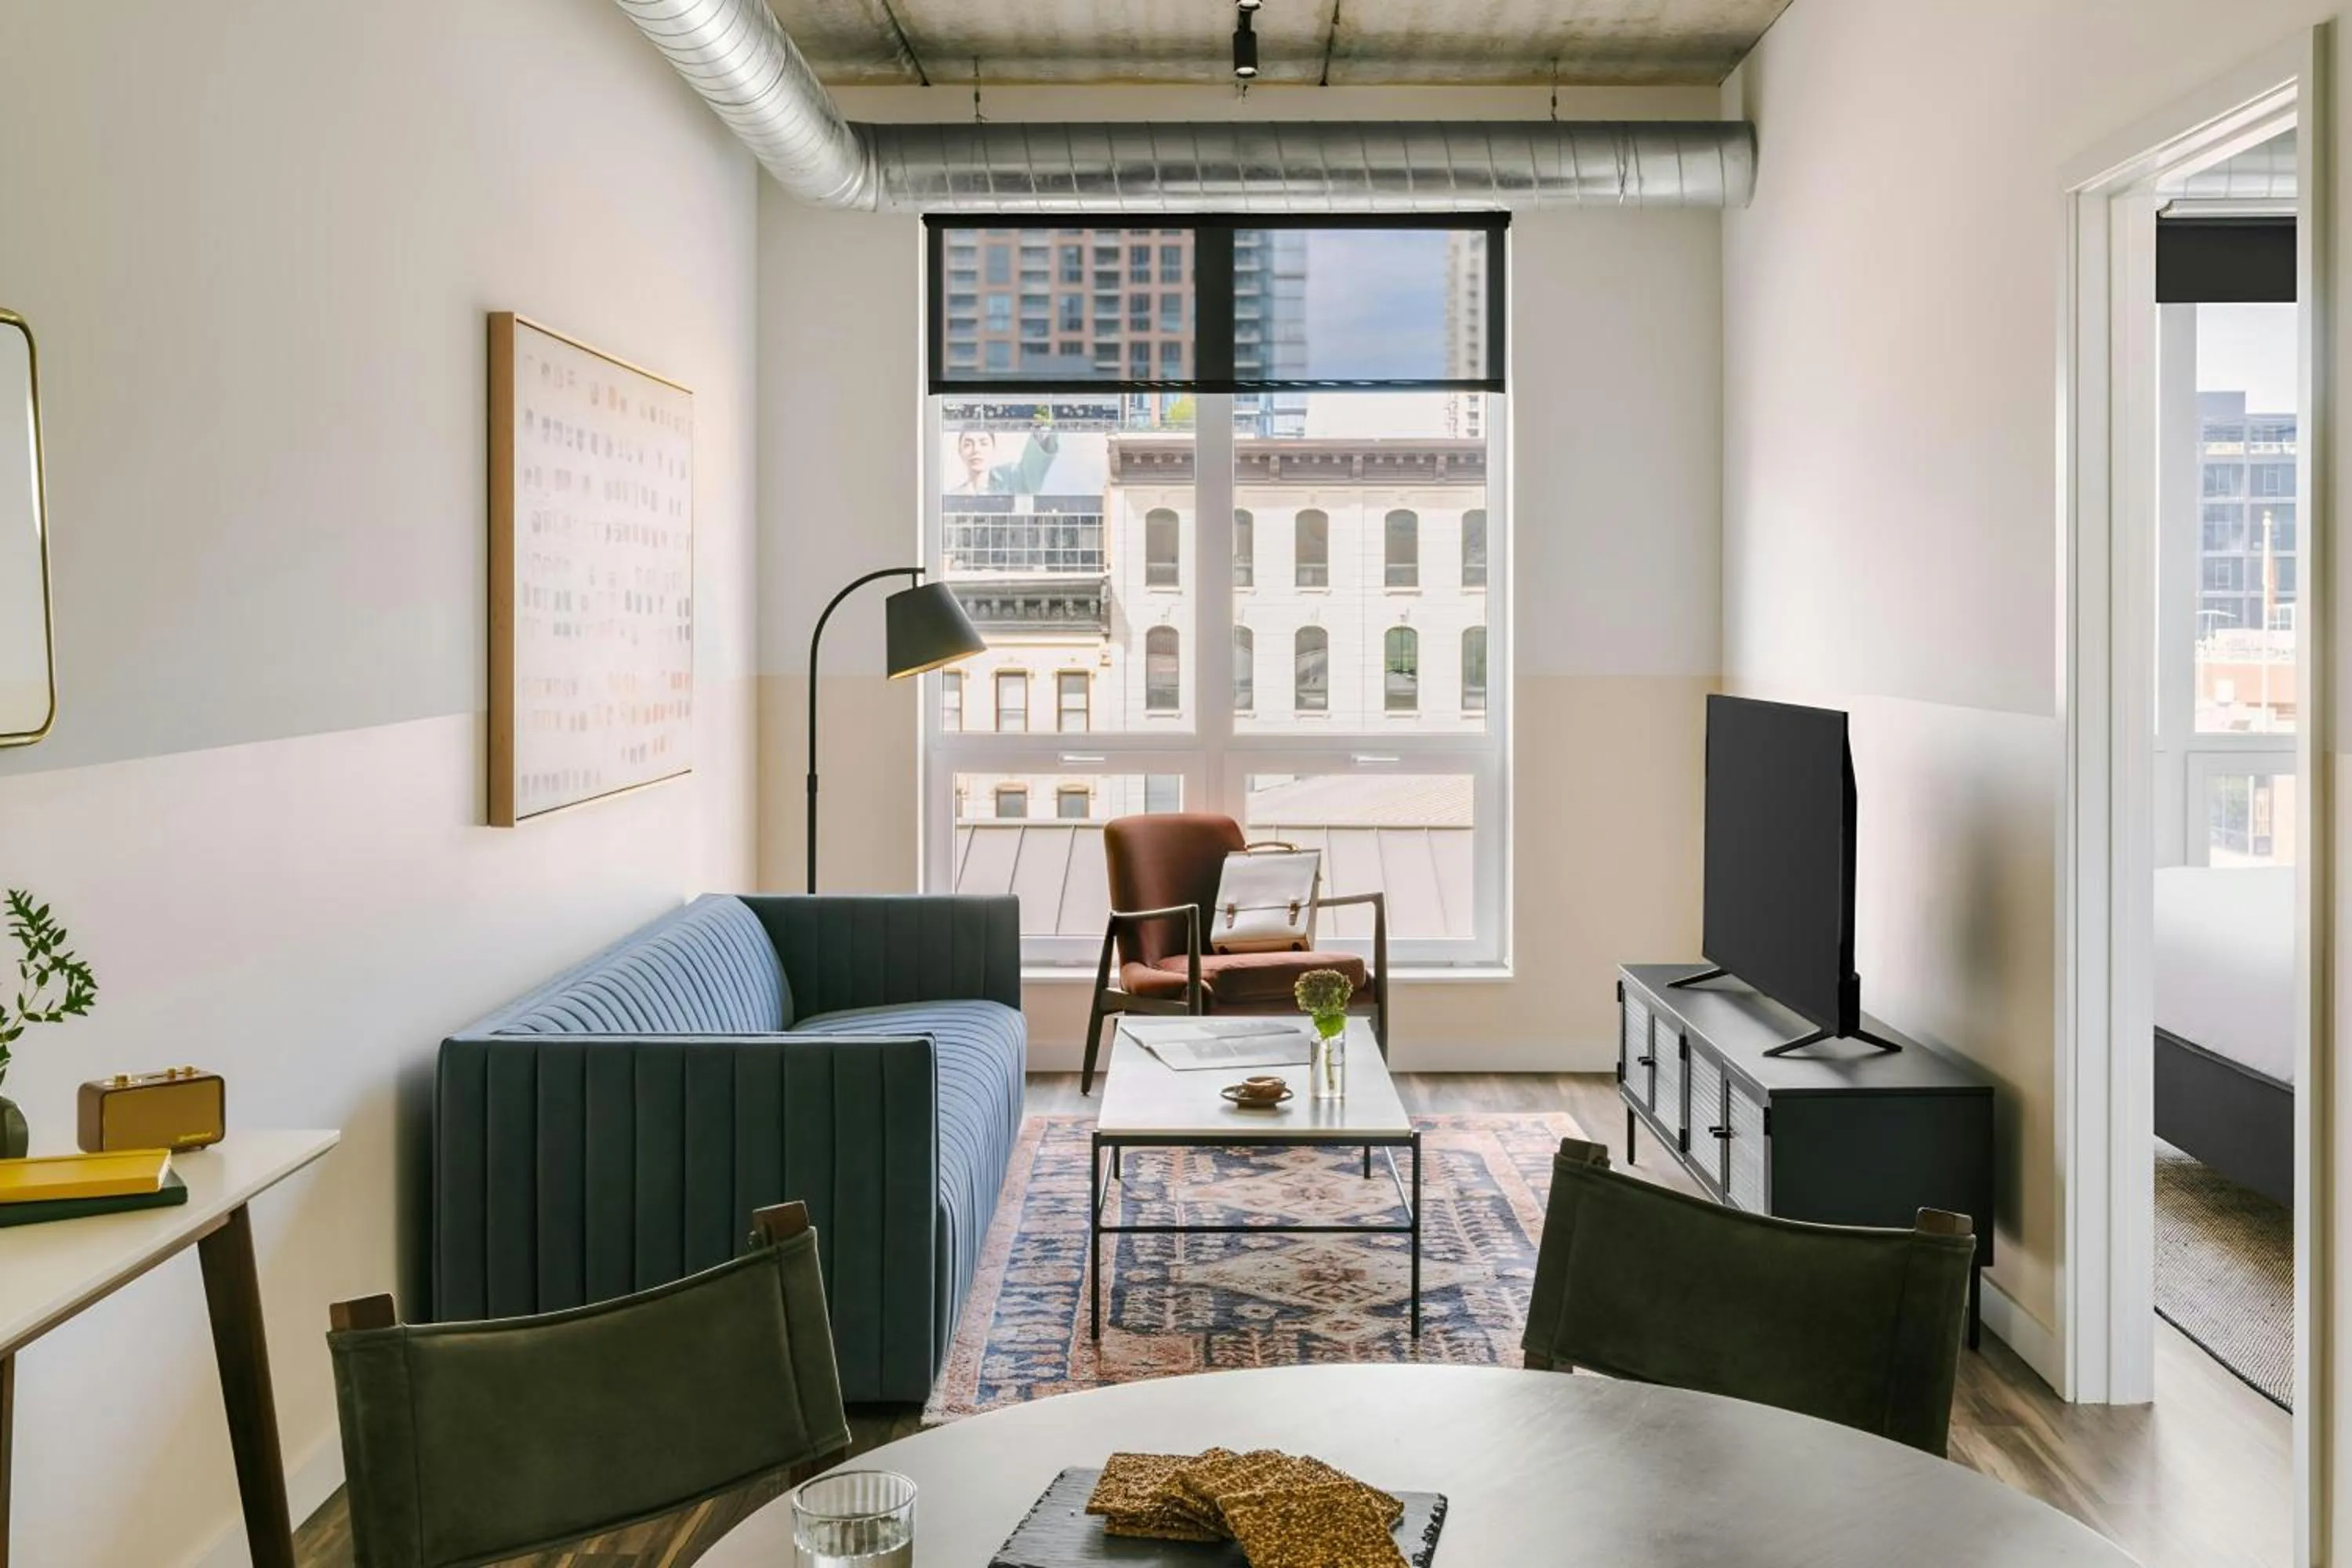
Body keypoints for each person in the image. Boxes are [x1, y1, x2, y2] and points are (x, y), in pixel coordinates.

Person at [949, 411, 1060, 495]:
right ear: (960, 451)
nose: (976, 450)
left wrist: (1042, 428)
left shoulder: (1013, 478)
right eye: (968, 444)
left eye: (983, 443)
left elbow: (1032, 470)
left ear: (994, 448)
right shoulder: (954, 497)